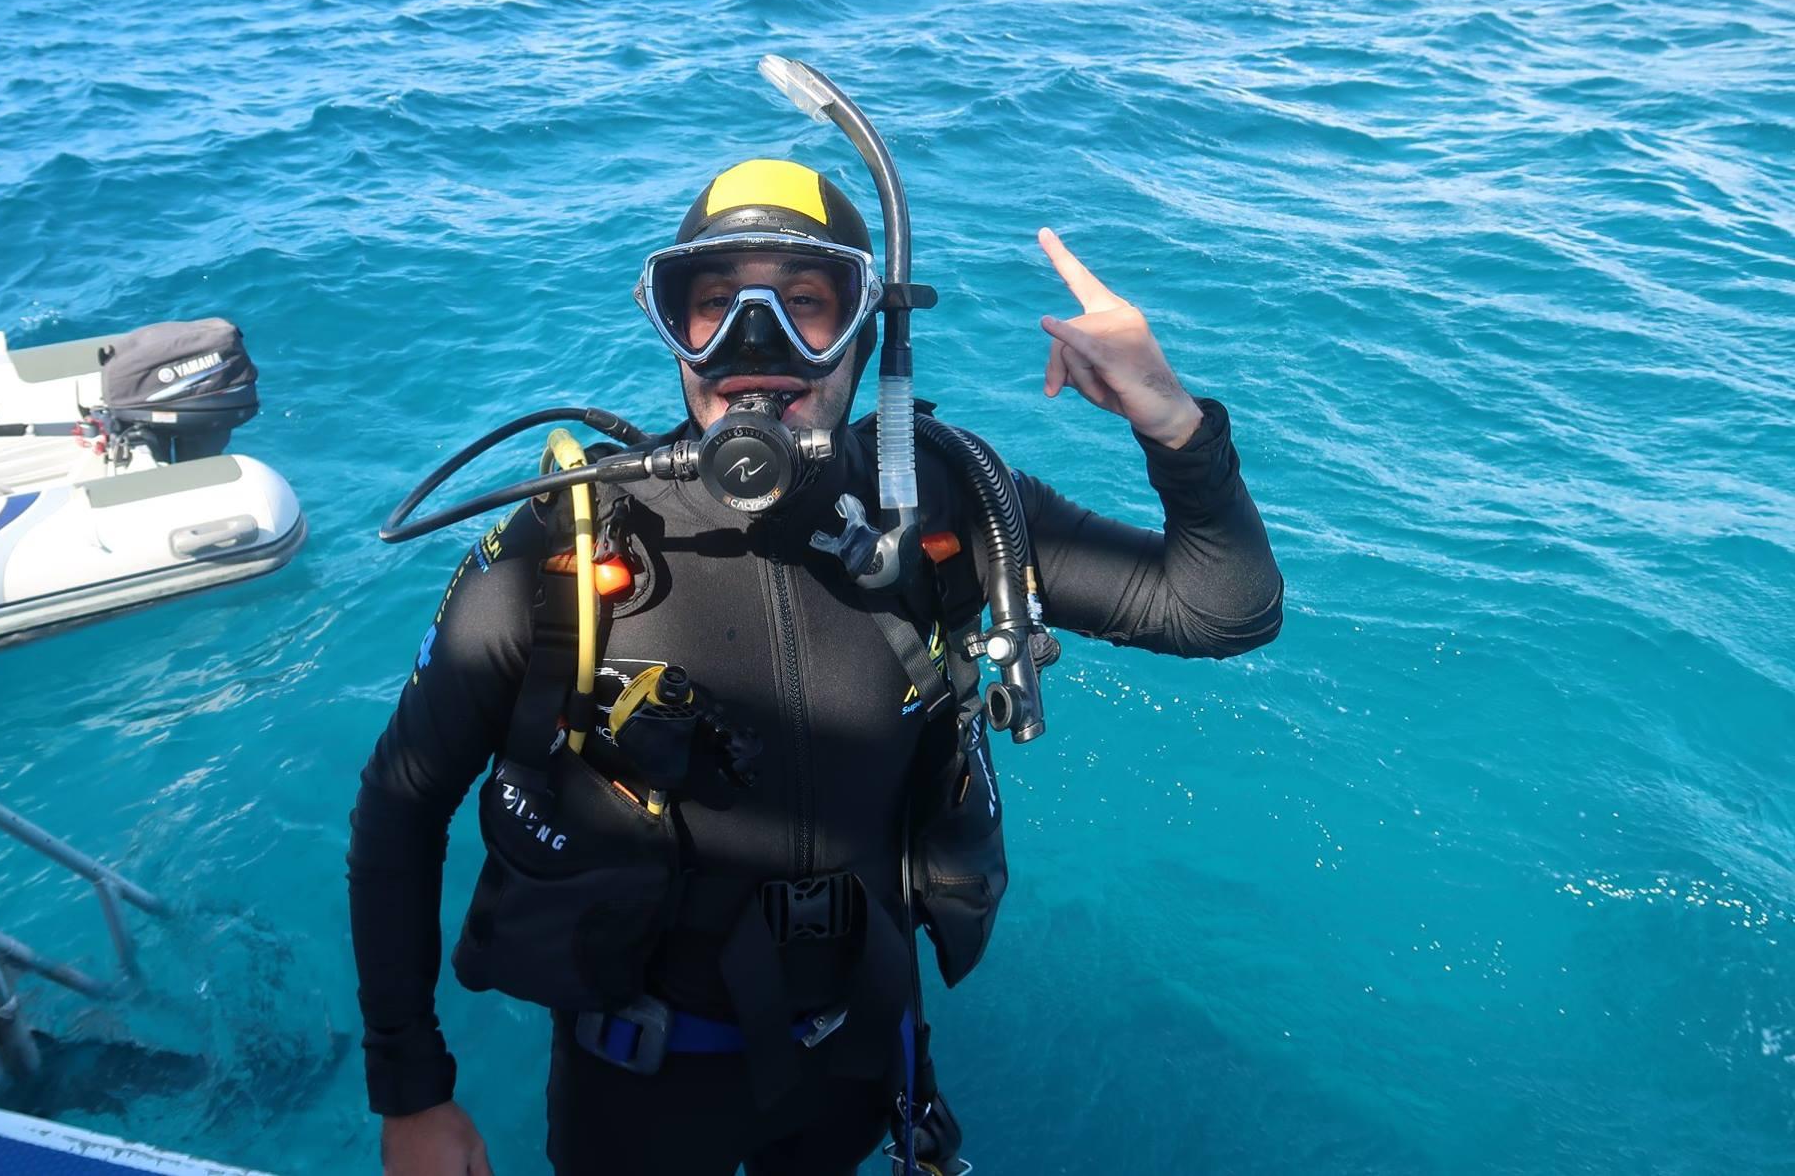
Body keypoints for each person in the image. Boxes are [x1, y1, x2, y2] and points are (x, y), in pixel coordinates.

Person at [349, 157, 1283, 1176]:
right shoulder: (565, 552)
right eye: (714, 305)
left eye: (804, 304)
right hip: (638, 1090)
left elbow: (1222, 609)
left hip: (855, 1061)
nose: (757, 349)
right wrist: (411, 1091)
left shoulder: (947, 504)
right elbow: (401, 802)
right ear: (671, 328)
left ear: (865, 333)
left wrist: (1171, 421)